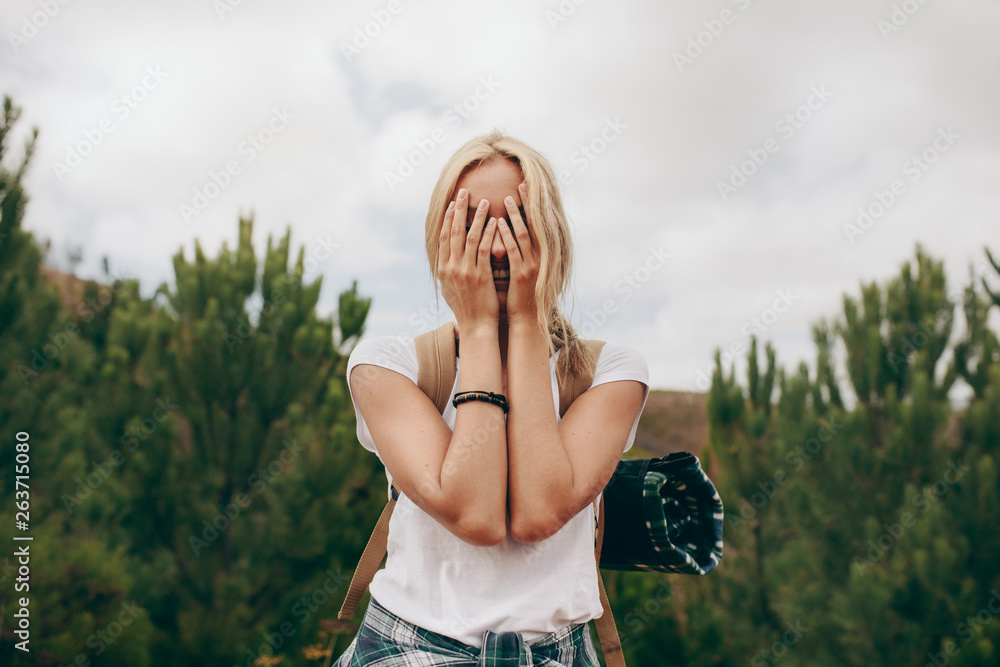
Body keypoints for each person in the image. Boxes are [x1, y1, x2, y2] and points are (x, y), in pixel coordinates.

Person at [335, 130, 649, 665]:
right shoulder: (388, 367)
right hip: (408, 648)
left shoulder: (610, 373)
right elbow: (477, 515)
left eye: (517, 222)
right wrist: (479, 329)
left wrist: (525, 321)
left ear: (551, 235)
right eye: (475, 224)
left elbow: (537, 513)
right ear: (442, 240)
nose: (499, 248)